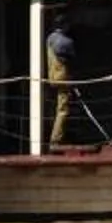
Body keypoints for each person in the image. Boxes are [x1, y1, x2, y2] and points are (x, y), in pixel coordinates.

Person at [43, 22, 76, 151]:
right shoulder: (66, 42)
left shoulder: (50, 38)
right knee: (63, 109)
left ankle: (51, 135)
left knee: (52, 106)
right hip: (62, 78)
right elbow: (70, 60)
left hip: (51, 76)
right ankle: (55, 140)